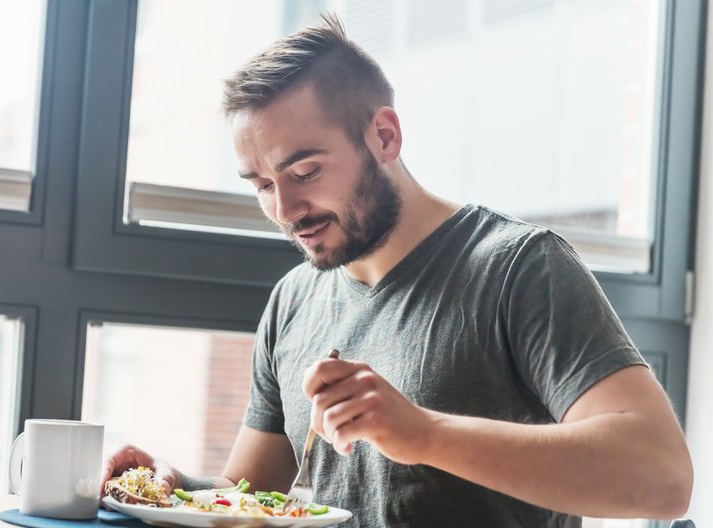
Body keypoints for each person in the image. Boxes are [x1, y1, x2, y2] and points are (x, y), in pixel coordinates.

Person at [101, 14, 693, 527]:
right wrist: (171, 486)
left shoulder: (520, 267)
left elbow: (662, 476)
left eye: (304, 172)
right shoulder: (293, 300)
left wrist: (424, 435)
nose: (284, 211)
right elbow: (254, 497)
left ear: (383, 136)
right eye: (261, 185)